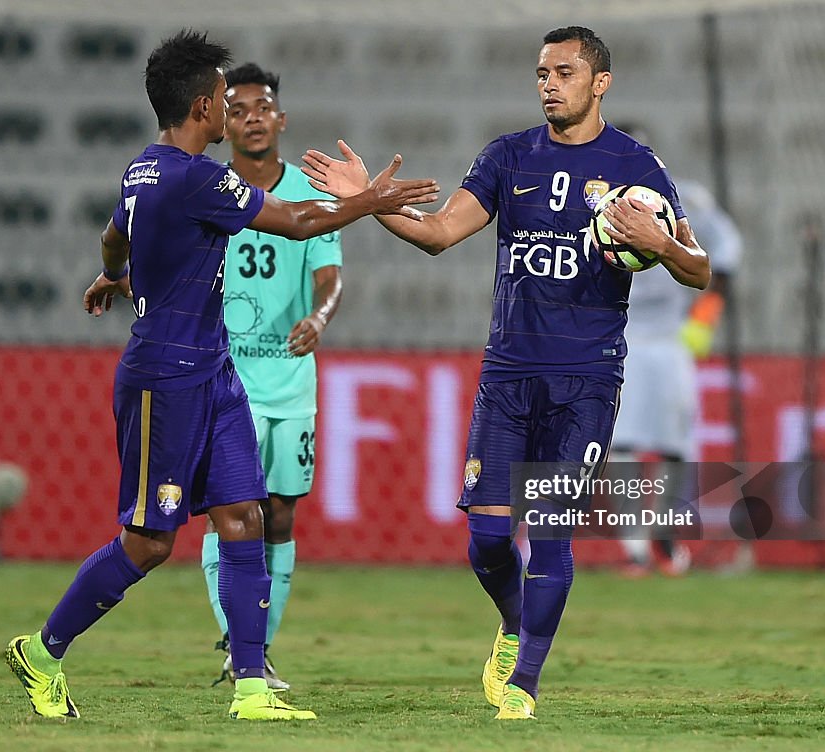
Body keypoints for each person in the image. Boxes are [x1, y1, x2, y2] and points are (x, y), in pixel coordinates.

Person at [4, 30, 437, 723]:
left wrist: (115, 276)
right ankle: (44, 650)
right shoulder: (196, 176)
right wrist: (374, 201)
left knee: (244, 516)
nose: (230, 110)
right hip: (164, 379)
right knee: (149, 542)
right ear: (205, 105)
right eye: (222, 98)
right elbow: (296, 221)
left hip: (214, 370)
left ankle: (252, 688)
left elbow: (115, 237)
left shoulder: (141, 171)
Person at [302, 26, 710, 720]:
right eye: (542, 73)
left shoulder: (638, 168)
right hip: (509, 375)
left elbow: (698, 270)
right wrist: (368, 203)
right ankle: (515, 624)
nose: (549, 82)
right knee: (489, 539)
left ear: (599, 82)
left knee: (550, 529)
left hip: (585, 380)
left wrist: (662, 242)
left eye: (565, 71)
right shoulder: (508, 155)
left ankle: (523, 686)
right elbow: (437, 234)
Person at [201, 62, 344, 691]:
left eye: (262, 107)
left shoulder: (307, 195)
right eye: (238, 108)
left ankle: (255, 648)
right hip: (226, 380)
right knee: (232, 512)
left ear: (280, 120)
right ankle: (241, 646)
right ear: (222, 120)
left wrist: (319, 316)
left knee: (280, 516)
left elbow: (330, 277)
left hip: (290, 381)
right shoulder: (209, 189)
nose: (252, 117)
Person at [608, 123, 744, 577]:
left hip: (668, 340)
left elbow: (726, 248)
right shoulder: (586, 204)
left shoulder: (682, 200)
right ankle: (634, 550)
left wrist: (704, 319)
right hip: (613, 339)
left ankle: (664, 535)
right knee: (620, 446)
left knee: (673, 444)